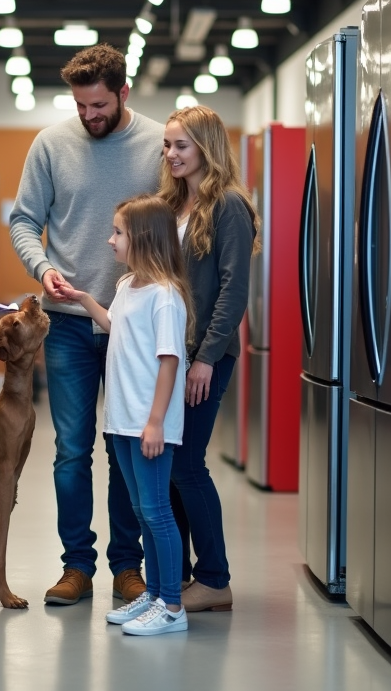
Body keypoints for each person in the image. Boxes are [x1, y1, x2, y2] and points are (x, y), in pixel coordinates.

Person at [9, 43, 163, 606]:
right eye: (80, 106)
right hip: (69, 324)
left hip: (134, 324)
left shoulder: (156, 144)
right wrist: (42, 268)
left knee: (125, 446)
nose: (88, 116)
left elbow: (175, 223)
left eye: (98, 105)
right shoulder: (51, 144)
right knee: (72, 448)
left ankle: (128, 566)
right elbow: (24, 220)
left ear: (123, 92)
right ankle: (76, 566)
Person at [55, 194, 193, 635]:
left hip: (148, 423)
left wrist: (155, 422)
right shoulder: (127, 284)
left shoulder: (166, 296)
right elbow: (115, 325)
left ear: (143, 238)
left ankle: (172, 607)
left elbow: (170, 360)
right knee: (139, 508)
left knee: (156, 512)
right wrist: (81, 299)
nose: (109, 239)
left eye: (117, 232)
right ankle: (152, 595)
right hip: (123, 420)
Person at [158, 106, 258, 613]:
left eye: (181, 145)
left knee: (186, 464)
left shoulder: (229, 206)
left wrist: (205, 358)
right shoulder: (173, 205)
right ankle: (178, 576)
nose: (170, 154)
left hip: (204, 357)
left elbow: (233, 290)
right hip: (172, 355)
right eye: (168, 146)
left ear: (207, 148)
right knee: (171, 463)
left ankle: (215, 579)